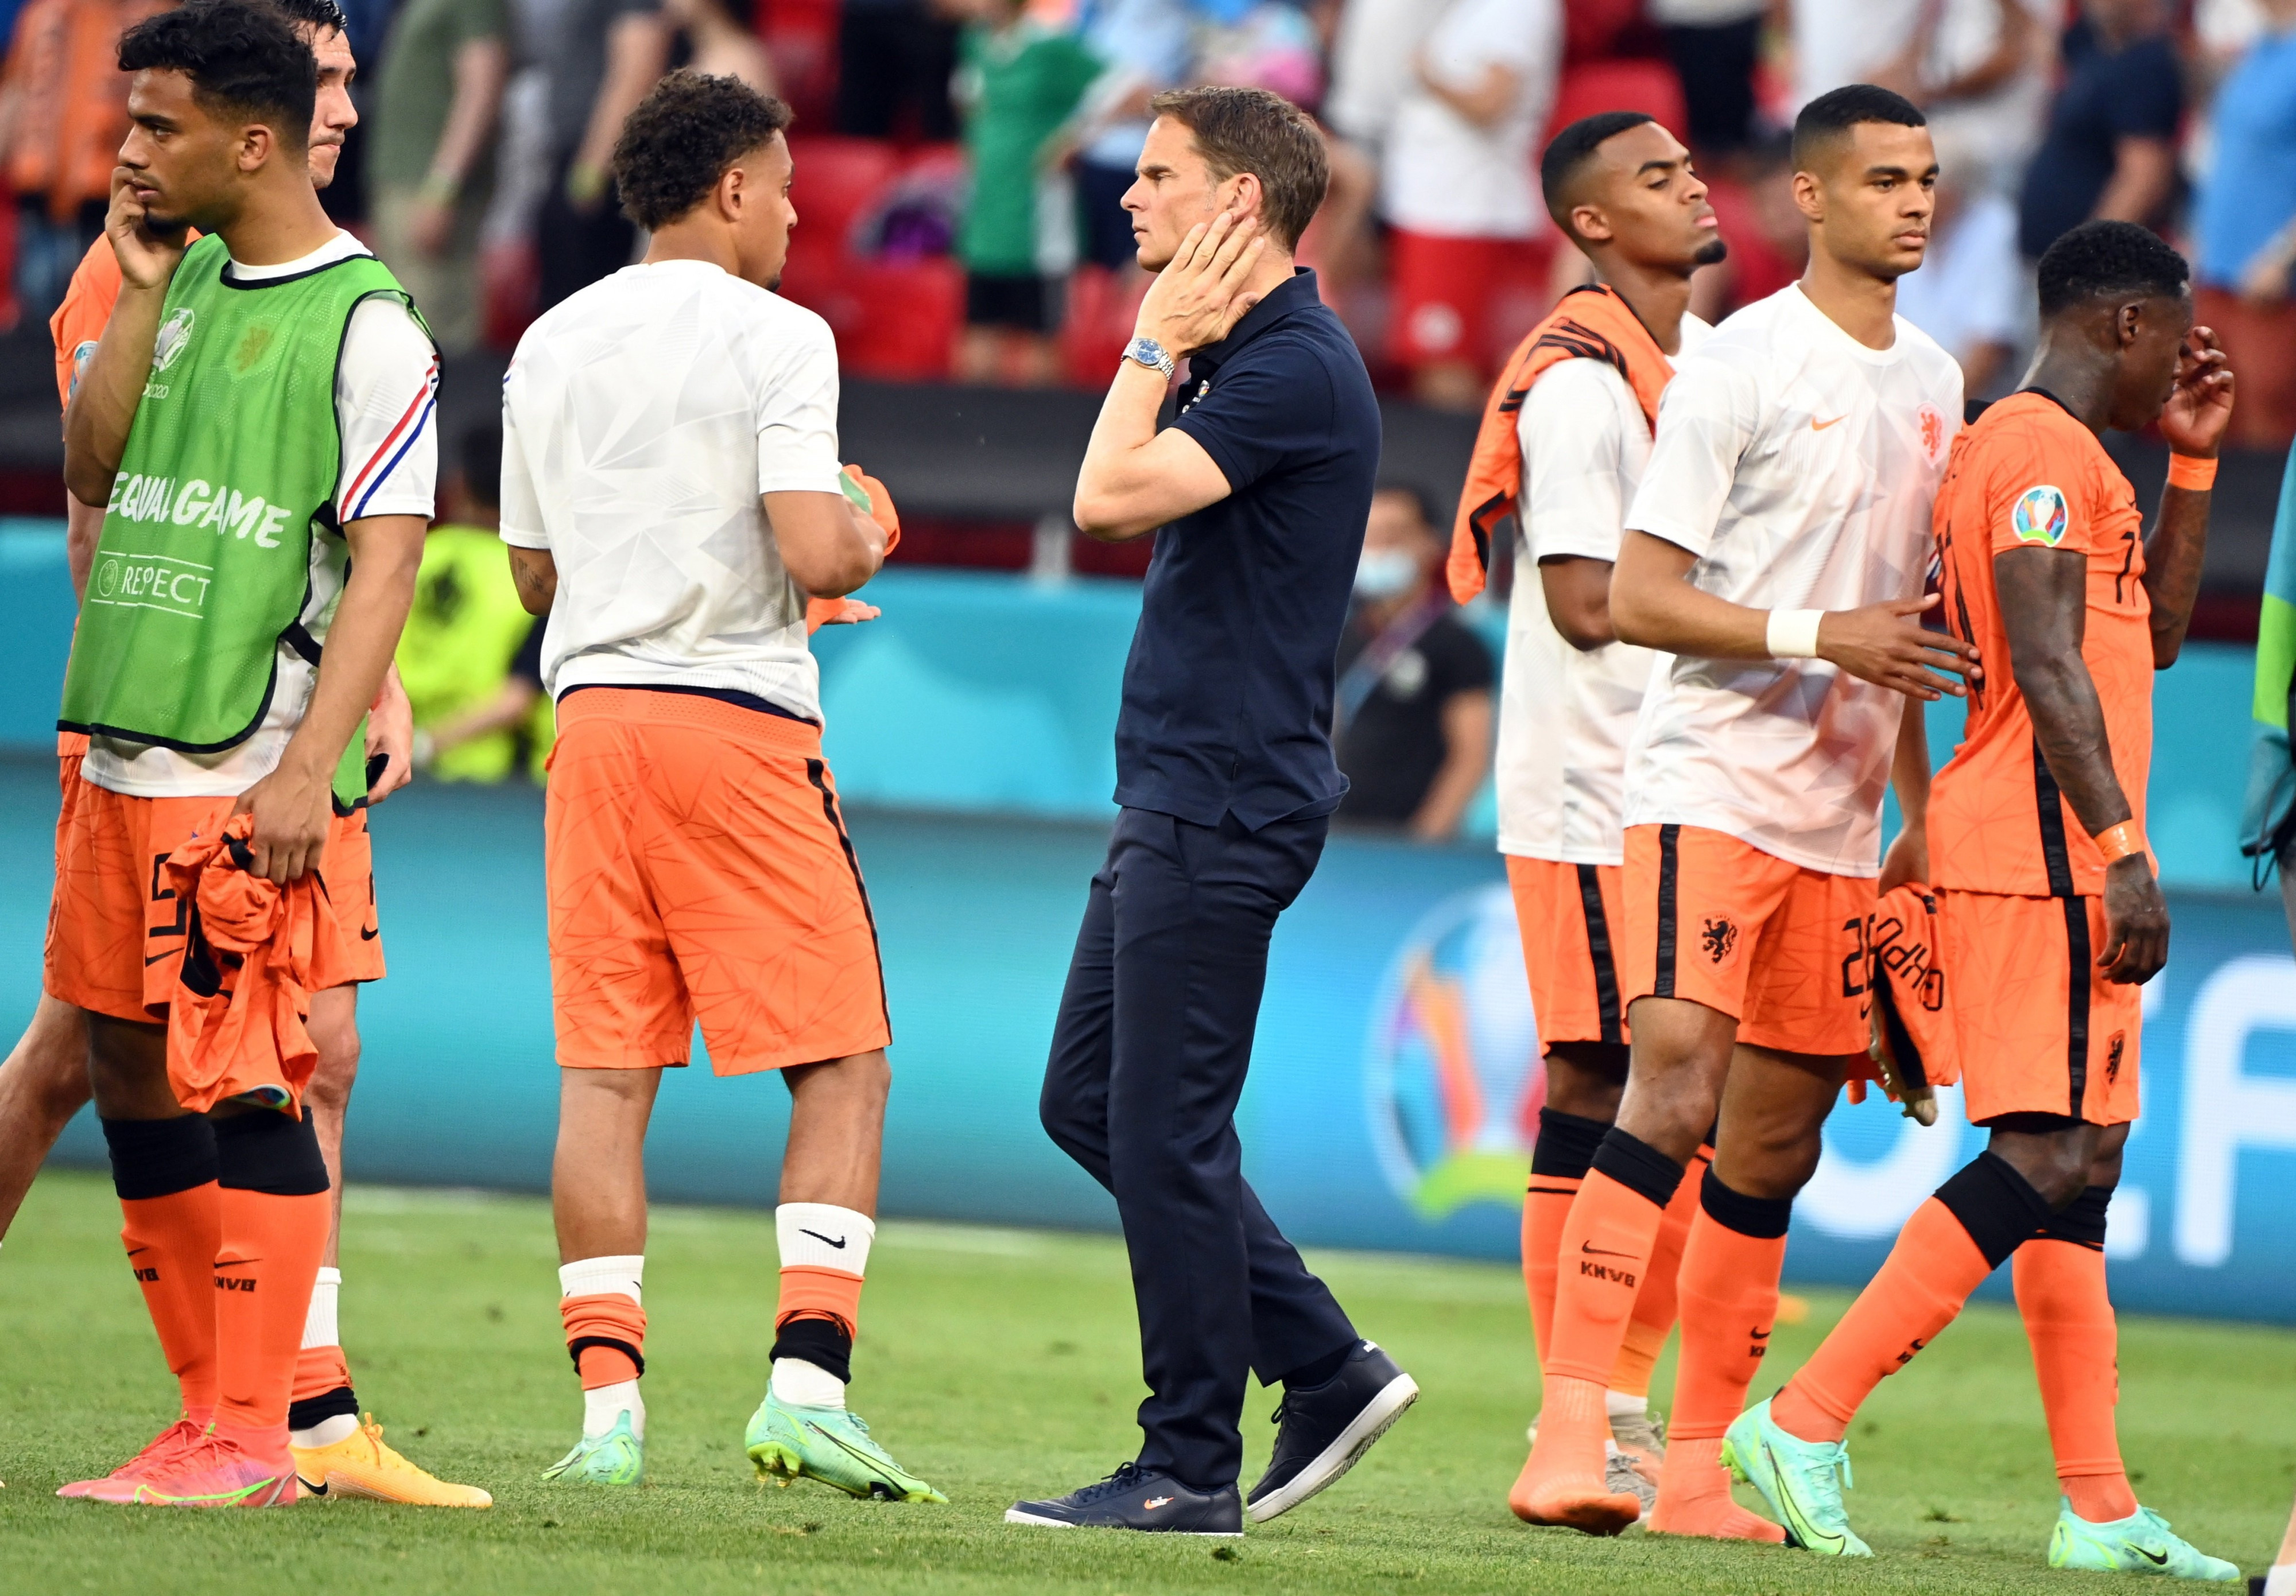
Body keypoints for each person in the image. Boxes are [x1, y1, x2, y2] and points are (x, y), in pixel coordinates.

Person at [10, 0, 485, 1510]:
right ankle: (214, 1417)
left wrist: (313, 760)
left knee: (265, 1073)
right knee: (134, 1066)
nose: (127, 150)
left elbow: (389, 559)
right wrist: (146, 285)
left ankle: (253, 1430)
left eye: (154, 127)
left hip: (247, 759)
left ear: (248, 137)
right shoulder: (169, 277)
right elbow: (89, 462)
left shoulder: (367, 322)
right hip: (125, 737)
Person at [1733, 221, 2243, 1582]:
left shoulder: (2075, 460)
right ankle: (1801, 1418)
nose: (2175, 364)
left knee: (2080, 1172)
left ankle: (2094, 1505)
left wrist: (2190, 458)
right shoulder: (2027, 453)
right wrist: (2122, 846)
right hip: (2043, 853)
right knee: (2045, 1159)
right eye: (2169, 340)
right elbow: (2042, 661)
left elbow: (2152, 636)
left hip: (2051, 845)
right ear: (2125, 323)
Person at [1507, 84, 1975, 1540]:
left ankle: (1699, 1469)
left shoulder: (1941, 381)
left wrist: (1918, 822)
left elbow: (1904, 631)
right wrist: (1809, 638)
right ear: (1811, 199)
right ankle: (1571, 1432)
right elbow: (1633, 598)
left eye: (1927, 177)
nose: (1913, 201)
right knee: (1669, 1077)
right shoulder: (1736, 365)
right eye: (1884, 178)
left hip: (1837, 819)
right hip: (1706, 780)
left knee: (1775, 1145)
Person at [500, 69, 935, 1504]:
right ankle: (807, 1387)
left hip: (595, 727)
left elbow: (532, 575)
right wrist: (863, 535)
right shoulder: (779, 334)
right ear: (735, 188)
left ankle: (608, 1419)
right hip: (734, 731)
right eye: (790, 187)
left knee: (606, 1078)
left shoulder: (547, 340)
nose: (801, 213)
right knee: (844, 1058)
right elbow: (816, 548)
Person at [1014, 84, 1415, 1537]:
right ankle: (1322, 1361)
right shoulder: (1250, 354)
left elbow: (1106, 495)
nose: (1130, 196)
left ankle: (1188, 1464)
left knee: (1167, 1130)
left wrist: (1147, 344)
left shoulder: (1290, 364)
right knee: (1091, 1104)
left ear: (1235, 206)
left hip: (1225, 795)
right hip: (1185, 786)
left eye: (1160, 175)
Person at [1444, 108, 1725, 1524]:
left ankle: (1611, 1403)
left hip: (1672, 785)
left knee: (1666, 1098)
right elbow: (1581, 599)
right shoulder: (1576, 387)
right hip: (1591, 790)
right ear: (1595, 223)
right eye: (1656, 176)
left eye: (1690, 164)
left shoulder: (1686, 371)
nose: (1692, 185)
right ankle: (1591, 1411)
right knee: (1606, 1088)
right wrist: (1780, 632)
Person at [1380, 0, 1562, 411]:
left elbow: (1492, 102)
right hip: (1441, 206)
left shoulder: (1516, 8)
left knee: (1448, 359)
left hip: (1464, 209)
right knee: (1438, 357)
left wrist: (1428, 74)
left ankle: (1464, 469)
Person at [951, 0, 1103, 385]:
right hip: (988, 213)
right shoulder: (974, 42)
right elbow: (968, 98)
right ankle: (971, 437)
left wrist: (1071, 140)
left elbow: (1126, 87)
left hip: (1039, 214)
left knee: (1041, 335)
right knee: (978, 327)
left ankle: (1040, 441)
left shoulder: (1052, 46)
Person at [1333, 486, 1493, 841]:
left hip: (1408, 844)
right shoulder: (1344, 638)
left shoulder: (1457, 644)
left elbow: (1469, 756)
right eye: (1369, 535)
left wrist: (1423, 842)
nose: (1379, 548)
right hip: (1339, 835)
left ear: (1431, 544)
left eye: (1394, 535)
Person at [0, 0, 166, 321]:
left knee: (97, 308)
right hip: (38, 189)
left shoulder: (150, 15)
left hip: (112, 195)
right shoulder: (43, 14)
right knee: (38, 306)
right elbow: (16, 88)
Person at [398, 426, 546, 782]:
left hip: (385, 765)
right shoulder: (539, 581)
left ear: (458, 484)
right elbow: (519, 696)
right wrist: (427, 745)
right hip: (492, 787)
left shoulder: (409, 559)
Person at [366, 0, 510, 356]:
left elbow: (481, 89)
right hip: (402, 185)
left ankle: (447, 413)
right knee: (404, 325)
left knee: (435, 330)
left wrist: (442, 190)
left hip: (427, 190)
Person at [2190, 0, 2296, 450]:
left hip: (2269, 284)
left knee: (2267, 425)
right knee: (2211, 419)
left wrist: (2283, 257)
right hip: (2218, 272)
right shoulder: (2260, 52)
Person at [2016, 0, 2180, 264]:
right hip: (2047, 260)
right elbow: (2039, 42)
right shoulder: (2094, 52)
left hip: (2084, 276)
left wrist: (2088, 256)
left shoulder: (2145, 66)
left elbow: (2144, 178)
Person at [533, 0, 671, 313]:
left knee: (583, 306)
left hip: (600, 168)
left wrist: (592, 169)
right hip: (575, 158)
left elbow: (638, 67)